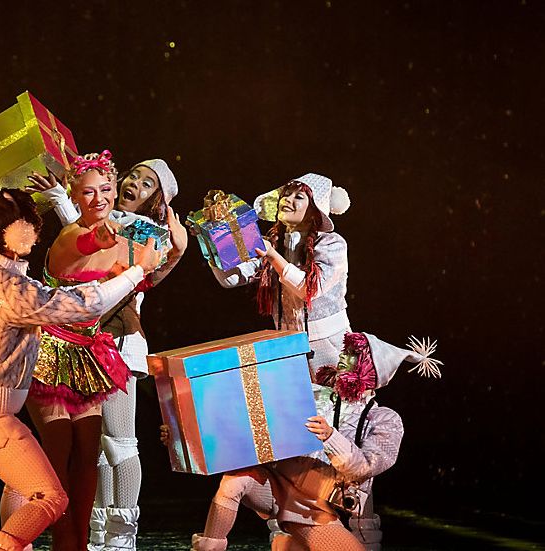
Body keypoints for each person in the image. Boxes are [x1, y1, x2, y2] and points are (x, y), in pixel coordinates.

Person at [0, 189, 161, 551]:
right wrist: (137, 271)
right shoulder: (9, 289)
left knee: (32, 482)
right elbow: (81, 306)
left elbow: (52, 292)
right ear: (20, 234)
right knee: (49, 496)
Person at [28, 158, 186, 550]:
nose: (135, 184)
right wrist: (60, 195)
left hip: (119, 346)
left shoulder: (147, 234)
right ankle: (96, 529)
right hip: (84, 347)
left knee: (119, 443)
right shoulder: (106, 223)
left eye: (147, 184)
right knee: (94, 446)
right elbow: (85, 237)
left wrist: (175, 252)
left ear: (158, 200)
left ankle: (122, 534)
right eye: (134, 176)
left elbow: (121, 269)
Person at [184, 331, 440, 551]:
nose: (343, 356)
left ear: (369, 369)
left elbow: (365, 466)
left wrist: (330, 436)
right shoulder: (315, 393)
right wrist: (183, 430)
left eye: (353, 355)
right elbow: (250, 413)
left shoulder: (383, 419)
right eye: (345, 351)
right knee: (234, 481)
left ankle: (292, 545)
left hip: (312, 507)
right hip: (275, 482)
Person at [207, 173, 351, 375]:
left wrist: (273, 256)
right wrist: (211, 240)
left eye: (298, 197)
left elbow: (309, 289)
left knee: (337, 395)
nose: (287, 199)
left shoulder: (331, 243)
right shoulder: (272, 244)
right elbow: (230, 279)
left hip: (331, 346)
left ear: (314, 211)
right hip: (288, 347)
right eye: (286, 194)